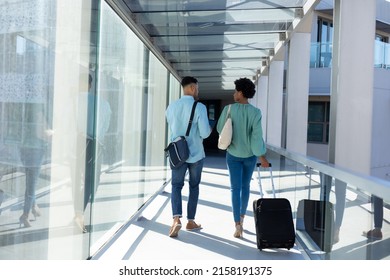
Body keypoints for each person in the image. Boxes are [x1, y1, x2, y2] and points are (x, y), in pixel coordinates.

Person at [217, 77, 269, 238]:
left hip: (233, 155)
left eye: (235, 91)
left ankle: (237, 225)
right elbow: (257, 137)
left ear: (240, 93)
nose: (234, 94)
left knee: (235, 188)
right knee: (245, 187)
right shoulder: (256, 112)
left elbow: (220, 128)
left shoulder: (229, 109)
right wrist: (262, 157)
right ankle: (242, 218)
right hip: (250, 156)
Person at [165, 76, 211, 238]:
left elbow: (172, 129)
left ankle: (176, 219)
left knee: (176, 186)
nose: (198, 91)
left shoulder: (171, 107)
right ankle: (190, 222)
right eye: (197, 88)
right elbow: (205, 133)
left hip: (178, 153)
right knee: (194, 187)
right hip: (196, 154)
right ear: (191, 88)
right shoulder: (200, 107)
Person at [73, 73, 111, 233]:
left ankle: (78, 213)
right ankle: (79, 213)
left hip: (74, 143)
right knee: (92, 181)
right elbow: (106, 124)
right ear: (90, 84)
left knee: (76, 180)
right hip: (93, 144)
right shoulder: (102, 103)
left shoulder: (72, 101)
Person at [18, 103, 51, 228]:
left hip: (24, 149)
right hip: (35, 151)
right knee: (32, 183)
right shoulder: (38, 112)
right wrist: (53, 132)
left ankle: (34, 207)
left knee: (30, 180)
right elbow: (42, 133)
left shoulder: (25, 112)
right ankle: (25, 215)